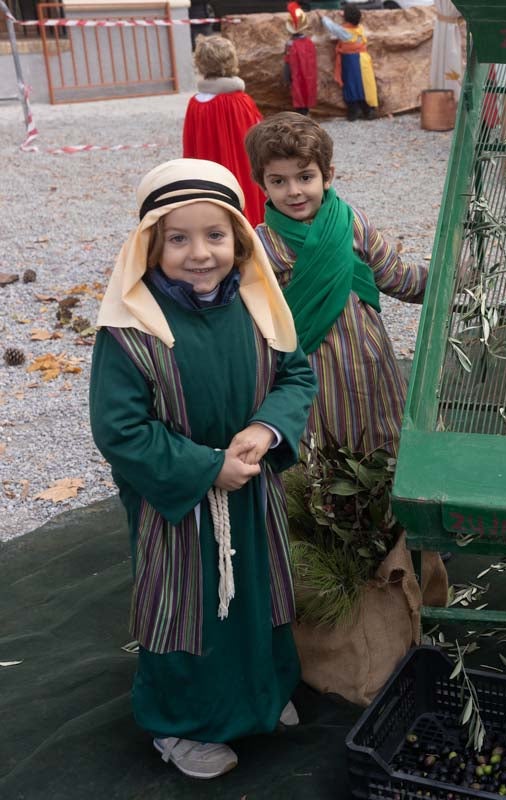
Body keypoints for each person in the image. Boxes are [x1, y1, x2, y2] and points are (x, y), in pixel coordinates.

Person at [90, 159, 316, 779]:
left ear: (239, 238)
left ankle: (261, 696)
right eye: (179, 238)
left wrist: (264, 430)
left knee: (260, 590)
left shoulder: (256, 306)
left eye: (215, 236)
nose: (200, 254)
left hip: (251, 485)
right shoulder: (130, 331)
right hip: (180, 503)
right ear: (151, 245)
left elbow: (295, 376)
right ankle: (180, 724)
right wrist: (206, 467)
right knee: (186, 605)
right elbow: (120, 429)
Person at [245, 112, 426, 460]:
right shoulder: (260, 248)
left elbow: (396, 277)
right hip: (310, 374)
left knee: (384, 454)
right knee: (323, 465)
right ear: (261, 183)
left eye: (305, 176)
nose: (294, 191)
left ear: (327, 175)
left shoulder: (352, 223)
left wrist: (450, 279)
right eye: (279, 181)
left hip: (369, 363)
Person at [182, 35, 267, 226]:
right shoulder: (240, 101)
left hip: (209, 177)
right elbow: (259, 141)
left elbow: (190, 148)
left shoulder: (195, 103)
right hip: (242, 173)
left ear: (200, 64)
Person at [320, 4, 378, 121]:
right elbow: (350, 22)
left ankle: (353, 112)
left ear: (346, 18)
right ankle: (367, 111)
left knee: (351, 85)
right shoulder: (359, 28)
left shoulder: (345, 32)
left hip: (352, 60)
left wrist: (323, 17)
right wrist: (346, 16)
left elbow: (331, 27)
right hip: (363, 59)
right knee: (363, 86)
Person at [283, 1, 318, 117]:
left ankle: (301, 115)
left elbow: (287, 62)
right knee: (306, 93)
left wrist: (286, 77)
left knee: (298, 96)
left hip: (296, 77)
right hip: (308, 77)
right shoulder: (309, 42)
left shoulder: (290, 44)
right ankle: (306, 112)